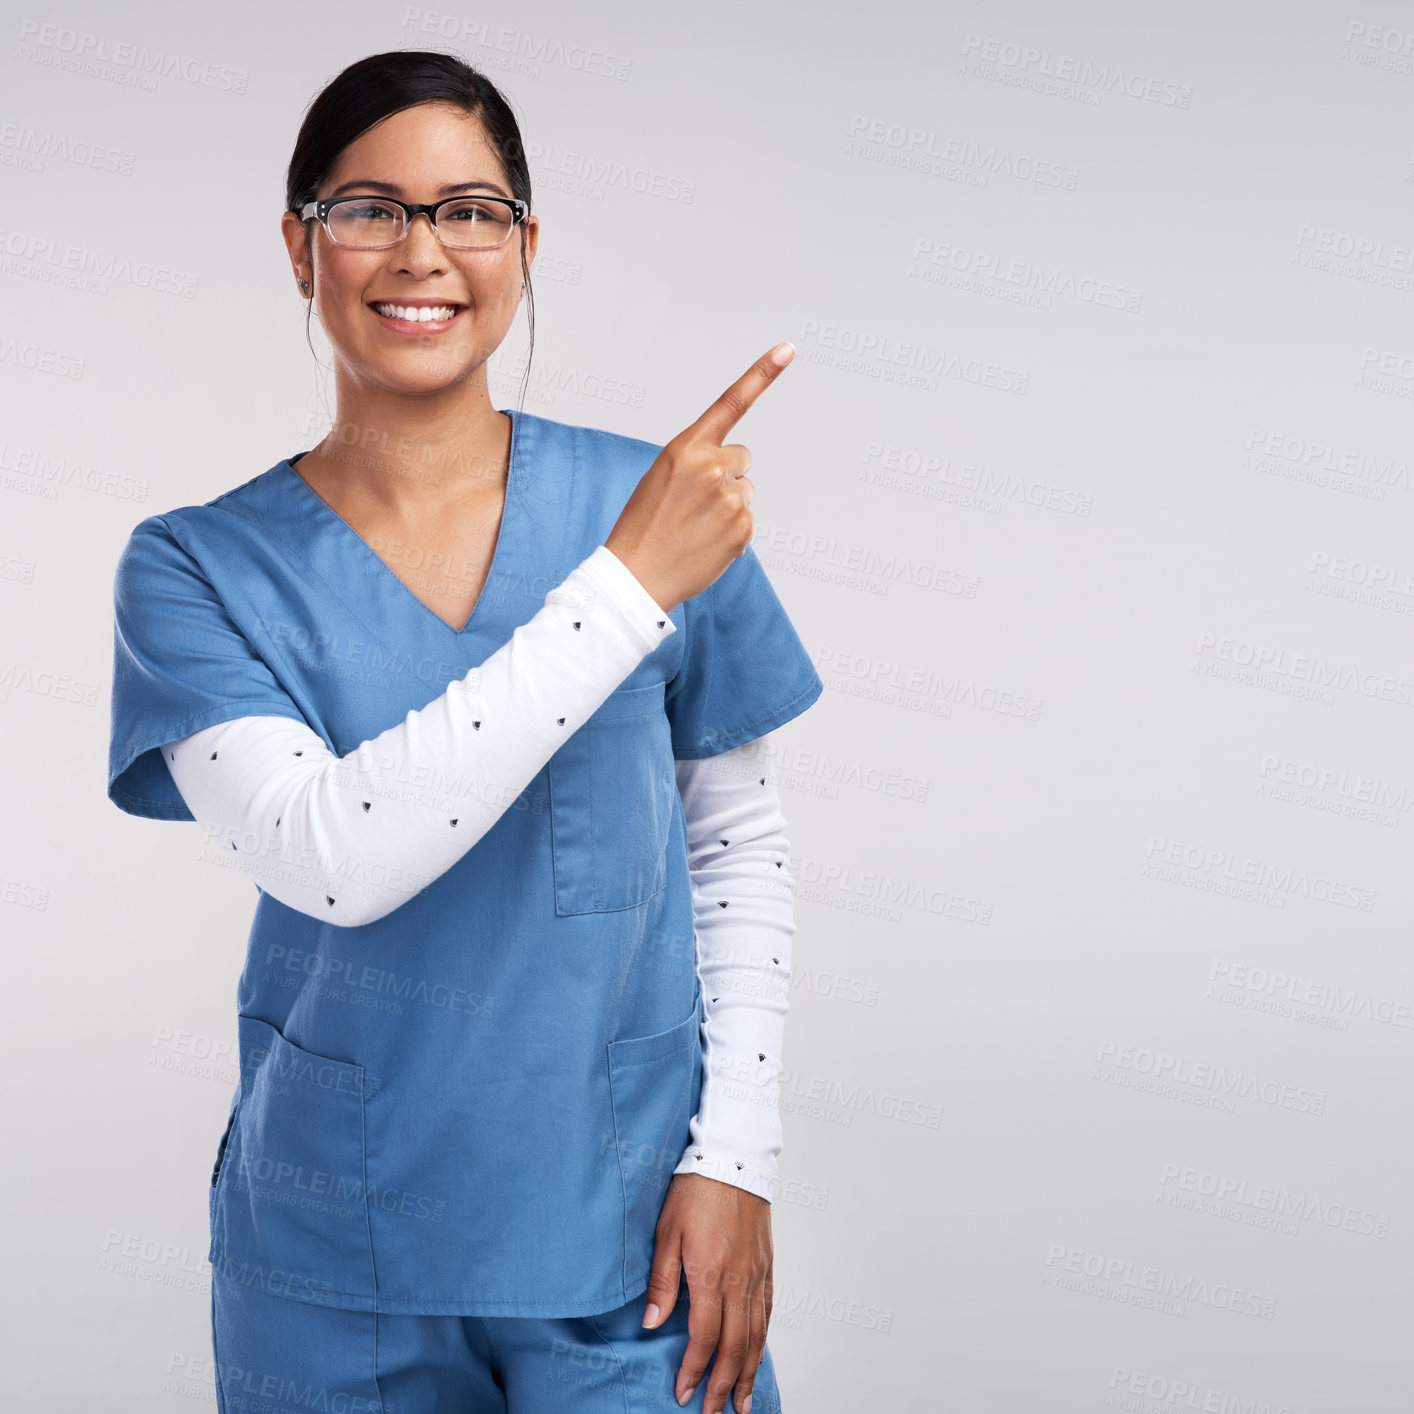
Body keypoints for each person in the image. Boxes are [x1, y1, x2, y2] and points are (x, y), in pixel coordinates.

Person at [107, 50, 821, 1414]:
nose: (420, 250)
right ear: (297, 246)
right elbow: (331, 855)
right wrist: (620, 590)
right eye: (367, 207)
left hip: (633, 1250)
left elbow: (732, 844)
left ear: (525, 245)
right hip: (334, 1267)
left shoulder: (654, 501)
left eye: (470, 210)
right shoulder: (196, 568)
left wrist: (734, 1157)